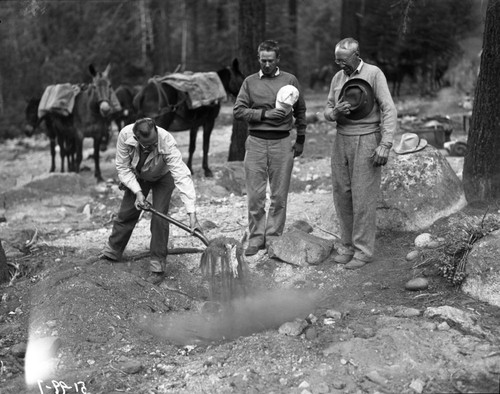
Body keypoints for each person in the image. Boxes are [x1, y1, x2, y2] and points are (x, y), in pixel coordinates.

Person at [324, 37, 397, 270]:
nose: (340, 66)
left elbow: (388, 108)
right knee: (342, 194)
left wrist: (385, 143)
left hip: (367, 138)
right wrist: (334, 112)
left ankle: (363, 251)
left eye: (344, 61)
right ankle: (346, 246)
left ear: (356, 56)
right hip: (341, 139)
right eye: (337, 61)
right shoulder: (338, 78)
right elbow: (326, 109)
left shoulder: (374, 73)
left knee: (363, 196)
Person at [100, 117, 201, 284]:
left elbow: (182, 176)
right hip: (138, 176)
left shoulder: (167, 140)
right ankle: (112, 251)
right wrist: (138, 193)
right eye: (150, 145)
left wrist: (192, 214)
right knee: (127, 213)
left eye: (156, 142)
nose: (155, 146)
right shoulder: (125, 135)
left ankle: (157, 265)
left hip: (163, 176)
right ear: (137, 139)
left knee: (159, 217)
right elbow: (123, 168)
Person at [233, 39, 307, 256]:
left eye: (271, 60)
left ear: (278, 60)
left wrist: (300, 139)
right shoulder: (249, 82)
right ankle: (256, 238)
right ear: (259, 58)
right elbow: (238, 111)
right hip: (255, 141)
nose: (266, 64)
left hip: (282, 142)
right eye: (263, 60)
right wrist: (264, 114)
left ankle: (273, 237)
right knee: (255, 196)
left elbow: (301, 111)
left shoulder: (289, 80)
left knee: (279, 195)